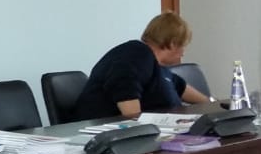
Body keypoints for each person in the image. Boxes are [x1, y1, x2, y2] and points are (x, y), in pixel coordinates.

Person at [67, 11, 212, 123]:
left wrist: (213, 104)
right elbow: (125, 92)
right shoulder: (135, 55)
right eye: (183, 45)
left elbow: (179, 85)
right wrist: (142, 129)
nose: (183, 52)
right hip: (107, 134)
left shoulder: (155, 66)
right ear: (173, 43)